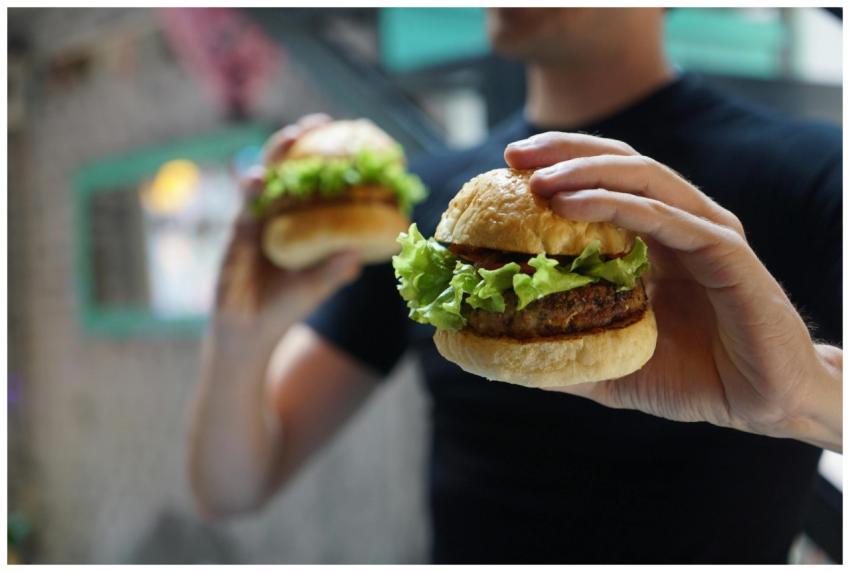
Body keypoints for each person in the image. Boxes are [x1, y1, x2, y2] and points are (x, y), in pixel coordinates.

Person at [189, 8, 842, 564]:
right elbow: (235, 488)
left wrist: (805, 398)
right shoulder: (429, 203)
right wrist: (239, 342)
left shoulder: (820, 174)